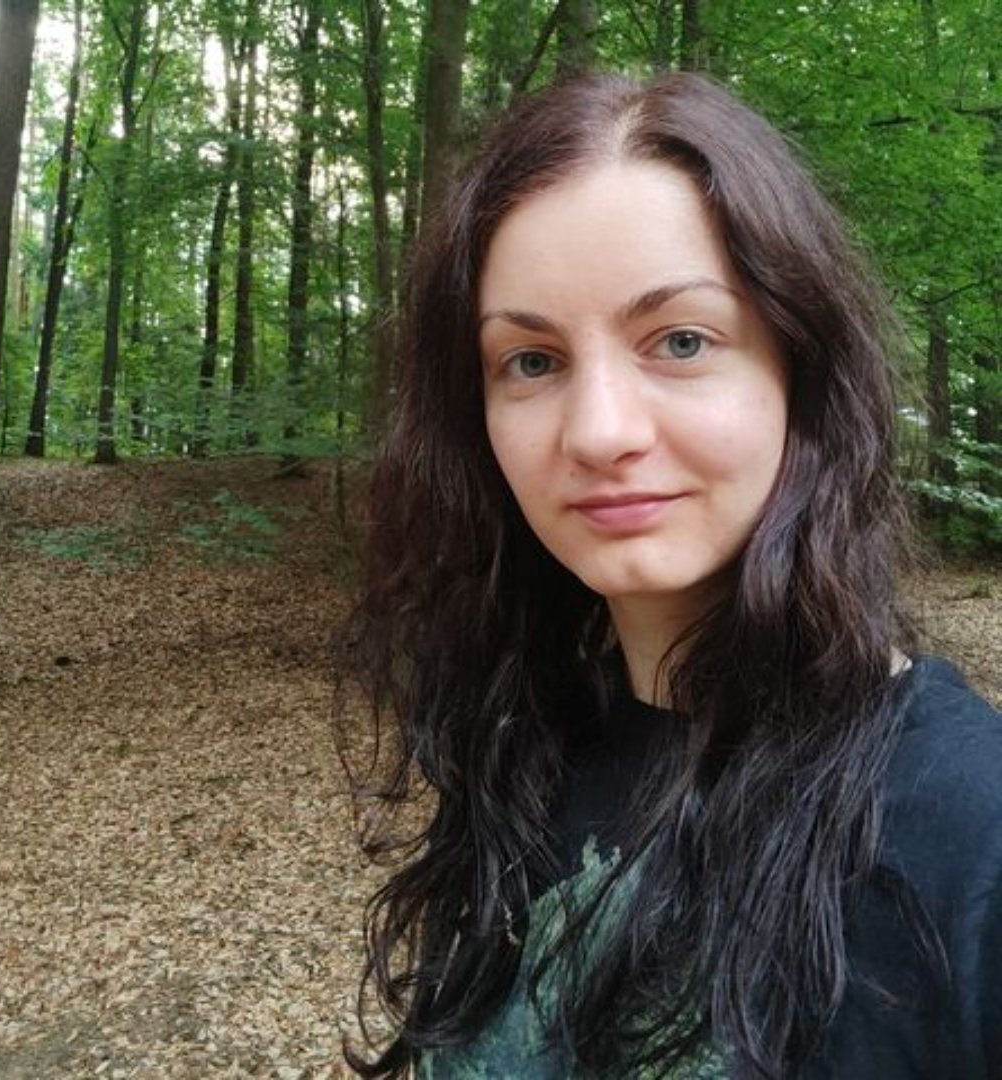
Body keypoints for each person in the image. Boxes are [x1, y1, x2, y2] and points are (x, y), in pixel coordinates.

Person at [334, 72, 1002, 1079]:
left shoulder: (973, 835)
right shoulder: (522, 753)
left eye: (681, 341)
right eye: (531, 361)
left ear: (802, 370)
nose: (600, 432)